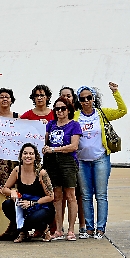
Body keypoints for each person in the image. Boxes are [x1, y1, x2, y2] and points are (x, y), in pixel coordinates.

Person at [74, 83, 126, 239]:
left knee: (101, 195)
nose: (86, 101)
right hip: (82, 161)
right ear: (79, 100)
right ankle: (89, 228)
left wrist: (116, 92)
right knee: (86, 195)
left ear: (93, 98)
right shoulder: (75, 116)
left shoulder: (102, 113)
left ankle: (100, 228)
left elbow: (122, 111)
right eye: (82, 99)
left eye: (89, 97)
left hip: (100, 159)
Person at [43, 97, 82, 241]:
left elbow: (74, 146)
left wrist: (54, 149)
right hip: (52, 162)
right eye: (57, 109)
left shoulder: (74, 125)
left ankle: (71, 230)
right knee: (57, 196)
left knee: (70, 195)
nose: (59, 111)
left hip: (68, 161)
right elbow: (43, 139)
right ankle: (58, 229)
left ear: (69, 110)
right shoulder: (51, 124)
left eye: (63, 108)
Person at [1, 143, 55, 243]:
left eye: (31, 154)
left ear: (35, 157)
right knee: (7, 205)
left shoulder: (41, 173)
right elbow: (4, 189)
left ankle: (45, 229)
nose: (28, 156)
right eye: (25, 153)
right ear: (21, 156)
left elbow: (51, 196)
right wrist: (12, 192)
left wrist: (32, 203)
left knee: (32, 219)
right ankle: (23, 232)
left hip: (42, 206)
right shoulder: (17, 170)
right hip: (23, 205)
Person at [59, 86, 86, 237]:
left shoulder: (77, 116)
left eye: (68, 96)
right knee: (60, 195)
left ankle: (81, 225)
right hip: (61, 161)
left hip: (79, 160)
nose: (66, 98)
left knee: (78, 194)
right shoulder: (57, 115)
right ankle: (59, 227)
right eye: (63, 96)